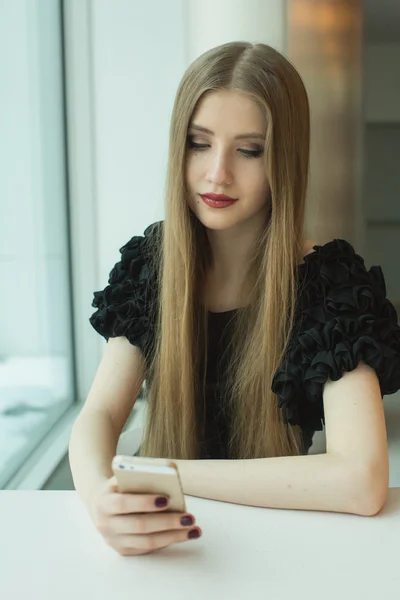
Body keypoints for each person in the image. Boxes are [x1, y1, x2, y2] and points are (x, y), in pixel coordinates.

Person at [69, 41, 400, 556]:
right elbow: (98, 418)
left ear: (284, 160)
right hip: (168, 548)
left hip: (283, 548)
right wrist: (99, 499)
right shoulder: (151, 264)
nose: (218, 173)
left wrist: (165, 474)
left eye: (250, 150)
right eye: (199, 144)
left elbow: (362, 479)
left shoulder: (329, 283)